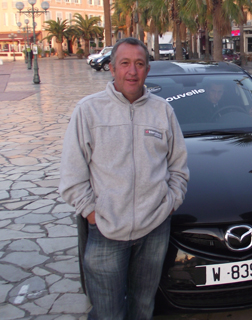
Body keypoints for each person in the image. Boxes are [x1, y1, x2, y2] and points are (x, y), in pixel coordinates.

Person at [59, 37, 189, 319]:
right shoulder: (89, 110)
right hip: (106, 232)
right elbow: (72, 174)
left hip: (154, 230)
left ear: (148, 70)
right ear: (111, 68)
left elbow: (178, 167)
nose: (132, 71)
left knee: (143, 307)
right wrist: (93, 214)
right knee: (108, 313)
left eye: (139, 64)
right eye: (125, 64)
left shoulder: (162, 111)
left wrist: (169, 203)